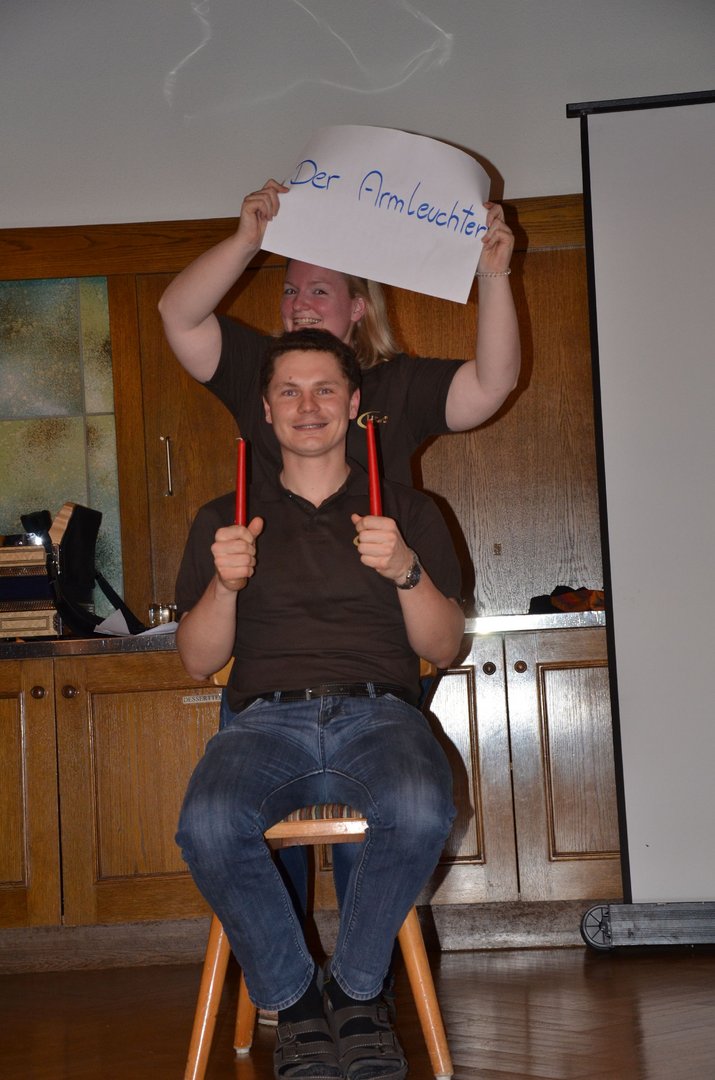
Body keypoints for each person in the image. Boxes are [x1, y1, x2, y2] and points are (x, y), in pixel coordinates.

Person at [174, 329, 464, 1080]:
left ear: (354, 404)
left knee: (421, 807)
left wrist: (405, 570)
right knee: (207, 824)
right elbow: (197, 660)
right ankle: (298, 1003)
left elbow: (444, 647)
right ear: (265, 410)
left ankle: (356, 993)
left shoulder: (405, 509)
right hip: (263, 721)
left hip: (380, 714)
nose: (308, 406)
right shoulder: (224, 518)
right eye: (289, 391)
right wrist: (224, 586)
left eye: (325, 389)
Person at [157, 177, 520, 489]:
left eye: (319, 291)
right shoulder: (257, 368)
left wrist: (492, 273)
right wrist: (246, 242)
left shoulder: (399, 384)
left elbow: (492, 384)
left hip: (380, 552)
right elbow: (178, 314)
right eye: (290, 290)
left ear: (358, 307)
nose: (299, 304)